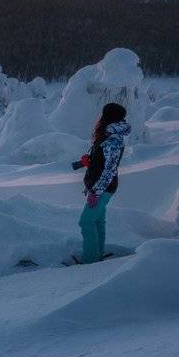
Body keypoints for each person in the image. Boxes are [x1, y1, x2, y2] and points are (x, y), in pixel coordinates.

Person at [71, 102, 130, 264]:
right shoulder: (108, 135)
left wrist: (95, 192)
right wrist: (89, 161)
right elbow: (104, 162)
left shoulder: (113, 139)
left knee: (86, 222)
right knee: (97, 220)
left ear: (106, 117)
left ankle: (90, 261)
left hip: (102, 188)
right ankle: (97, 254)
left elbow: (110, 169)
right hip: (100, 185)